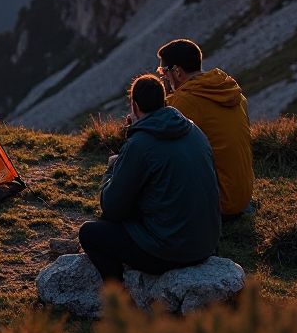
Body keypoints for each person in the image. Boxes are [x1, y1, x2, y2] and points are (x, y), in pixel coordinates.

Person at [78, 73, 220, 282]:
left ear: (134, 106)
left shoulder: (141, 144)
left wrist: (113, 168)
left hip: (169, 252)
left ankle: (119, 301)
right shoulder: (194, 130)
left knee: (91, 233)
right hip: (207, 244)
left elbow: (111, 208)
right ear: (164, 102)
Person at [157, 38, 254, 217]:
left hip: (217, 203)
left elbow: (157, 144)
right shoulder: (234, 94)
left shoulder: (185, 100)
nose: (163, 77)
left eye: (163, 71)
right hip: (242, 196)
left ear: (177, 72)